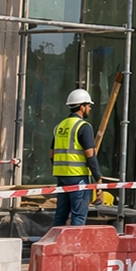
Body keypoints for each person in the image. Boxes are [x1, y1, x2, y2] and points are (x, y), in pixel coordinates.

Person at [52, 88, 102, 227]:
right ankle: (75, 246)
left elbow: (52, 153)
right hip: (78, 176)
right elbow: (90, 155)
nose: (90, 109)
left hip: (61, 177)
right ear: (82, 106)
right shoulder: (84, 127)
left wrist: (61, 168)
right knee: (78, 215)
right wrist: (98, 177)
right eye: (88, 106)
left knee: (61, 214)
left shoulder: (60, 126)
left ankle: (56, 244)